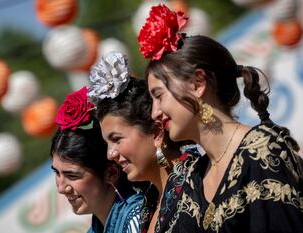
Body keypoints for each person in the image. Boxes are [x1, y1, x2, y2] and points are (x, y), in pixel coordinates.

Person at [139, 4, 303, 232]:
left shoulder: (262, 152)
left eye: (159, 95)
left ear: (198, 83)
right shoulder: (193, 177)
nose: (154, 112)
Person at [87, 51, 200, 233]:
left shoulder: (197, 181)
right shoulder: (151, 202)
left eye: (116, 139)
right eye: (108, 144)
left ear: (156, 132)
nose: (111, 154)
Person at [50, 87, 144, 233]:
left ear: (111, 173)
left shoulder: (138, 220)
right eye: (57, 173)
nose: (61, 188)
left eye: (73, 175)